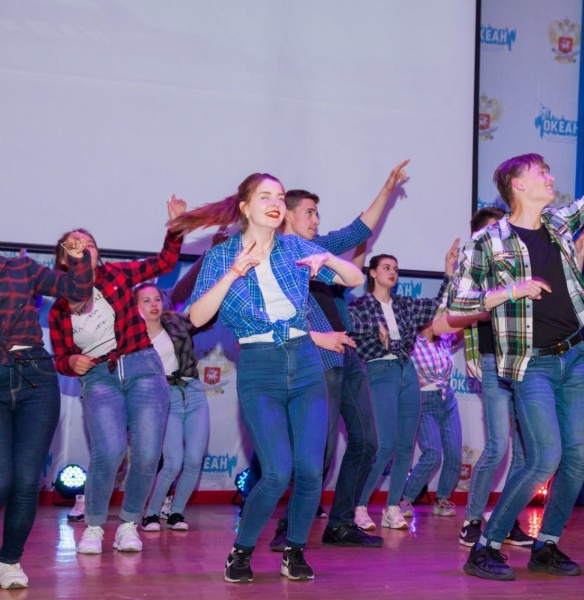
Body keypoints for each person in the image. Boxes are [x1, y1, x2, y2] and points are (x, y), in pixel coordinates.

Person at [449, 100, 584, 580]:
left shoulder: (559, 224)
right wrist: (510, 290)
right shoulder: (487, 241)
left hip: (574, 357)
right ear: (518, 184)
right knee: (544, 457)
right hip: (530, 363)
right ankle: (486, 545)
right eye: (541, 172)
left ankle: (548, 544)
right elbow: (458, 303)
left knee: (576, 459)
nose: (550, 177)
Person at [171, 173, 364, 583]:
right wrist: (233, 273)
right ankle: (241, 552)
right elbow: (196, 316)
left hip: (306, 362)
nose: (275, 203)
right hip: (260, 367)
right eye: (265, 197)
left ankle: (294, 550)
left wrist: (328, 261)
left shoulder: (295, 247)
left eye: (279, 197)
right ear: (245, 207)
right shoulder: (222, 256)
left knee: (310, 471)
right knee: (276, 473)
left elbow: (356, 278)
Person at [262, 160, 410, 549]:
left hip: (347, 357)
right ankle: (288, 528)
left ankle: (341, 523)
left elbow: (358, 230)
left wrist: (387, 188)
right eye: (309, 212)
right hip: (314, 361)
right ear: (287, 215)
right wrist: (316, 338)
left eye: (317, 213)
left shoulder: (319, 250)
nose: (316, 220)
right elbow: (271, 317)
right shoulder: (278, 258)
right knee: (319, 450)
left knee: (367, 441)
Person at [49, 197, 186, 555]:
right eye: (75, 245)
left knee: (147, 453)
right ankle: (94, 526)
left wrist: (176, 228)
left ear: (98, 255)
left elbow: (165, 262)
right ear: (63, 259)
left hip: (143, 367)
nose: (84, 248)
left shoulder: (118, 275)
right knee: (109, 451)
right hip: (99, 377)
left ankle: (128, 524)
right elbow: (60, 357)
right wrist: (71, 362)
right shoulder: (60, 306)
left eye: (90, 244)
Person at [455, 208, 584, 548]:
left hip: (531, 359)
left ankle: (507, 522)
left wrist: (576, 257)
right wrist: (509, 295)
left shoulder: (525, 262)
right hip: (494, 360)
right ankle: (473, 521)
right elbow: (464, 311)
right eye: (494, 231)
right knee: (498, 445)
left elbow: (556, 299)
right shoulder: (483, 266)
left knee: (526, 452)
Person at [0, 239, 91, 589]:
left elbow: (77, 292)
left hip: (35, 376)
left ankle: (9, 561)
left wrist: (78, 259)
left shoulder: (20, 268)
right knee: (2, 479)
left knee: (26, 481)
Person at [349, 242, 458, 530]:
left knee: (405, 446)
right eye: (386, 267)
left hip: (407, 371)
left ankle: (392, 508)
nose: (392, 272)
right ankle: (359, 506)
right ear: (373, 273)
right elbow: (356, 334)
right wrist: (380, 337)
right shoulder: (360, 306)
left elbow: (437, 305)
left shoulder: (404, 305)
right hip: (379, 370)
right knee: (384, 445)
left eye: (396, 269)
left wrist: (448, 271)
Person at [135, 283, 210, 533]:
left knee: (194, 459)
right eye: (146, 300)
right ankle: (151, 514)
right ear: (136, 307)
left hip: (194, 391)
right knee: (173, 461)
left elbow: (204, 316)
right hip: (165, 397)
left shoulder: (176, 321)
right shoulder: (132, 337)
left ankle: (176, 512)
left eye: (157, 299)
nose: (153, 304)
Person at [397, 320, 462, 519]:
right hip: (423, 402)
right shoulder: (411, 342)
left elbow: (463, 324)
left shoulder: (445, 339)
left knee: (454, 454)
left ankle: (442, 499)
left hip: (447, 400)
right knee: (432, 454)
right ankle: (405, 499)